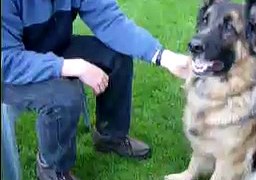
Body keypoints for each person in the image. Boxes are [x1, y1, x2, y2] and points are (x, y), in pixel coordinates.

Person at [2, 0, 190, 179]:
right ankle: (52, 168)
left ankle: (110, 136)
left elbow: (111, 21)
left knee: (117, 56)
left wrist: (163, 57)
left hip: (52, 49)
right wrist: (69, 66)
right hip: (11, 71)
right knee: (64, 97)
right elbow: (7, 60)